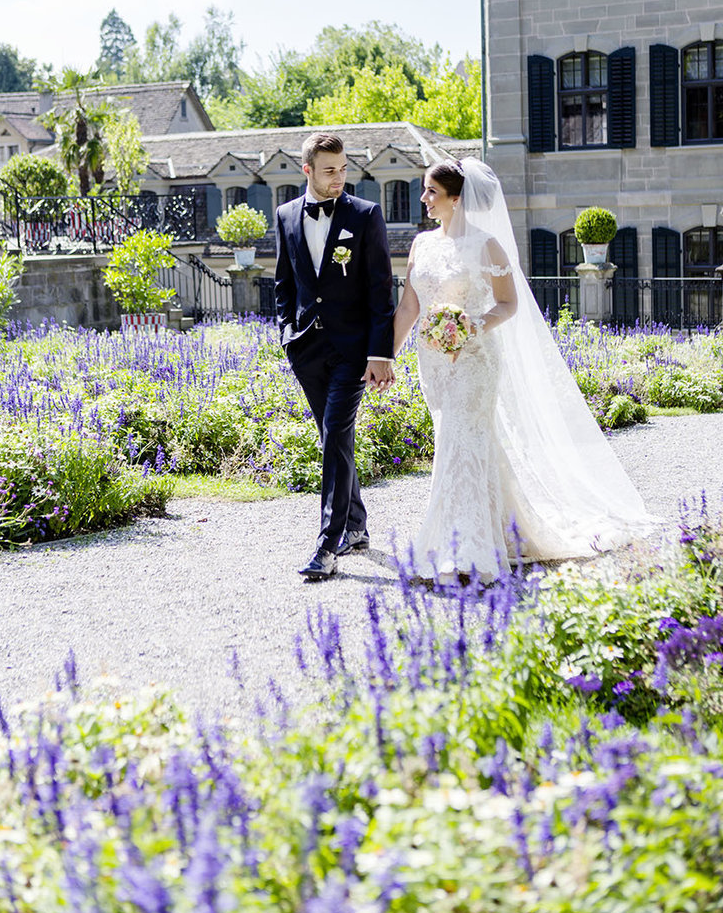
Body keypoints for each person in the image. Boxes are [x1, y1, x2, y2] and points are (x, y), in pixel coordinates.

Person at [392, 157, 653, 583]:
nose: (423, 198)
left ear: (457, 199)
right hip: (434, 363)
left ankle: (466, 551)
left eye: (431, 192)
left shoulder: (486, 246)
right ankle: (502, 529)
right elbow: (409, 306)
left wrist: (473, 325)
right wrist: (386, 356)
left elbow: (508, 304)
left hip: (475, 360)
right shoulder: (421, 245)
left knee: (459, 443)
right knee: (465, 445)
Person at [275, 133, 395, 581]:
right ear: (307, 170)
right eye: (329, 170)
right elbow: (284, 283)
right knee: (334, 441)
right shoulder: (286, 215)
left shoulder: (365, 215)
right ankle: (358, 526)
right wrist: (286, 335)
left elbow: (381, 291)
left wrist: (379, 353)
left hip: (353, 351)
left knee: (335, 432)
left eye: (344, 168)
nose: (339, 177)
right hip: (306, 349)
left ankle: (328, 544)